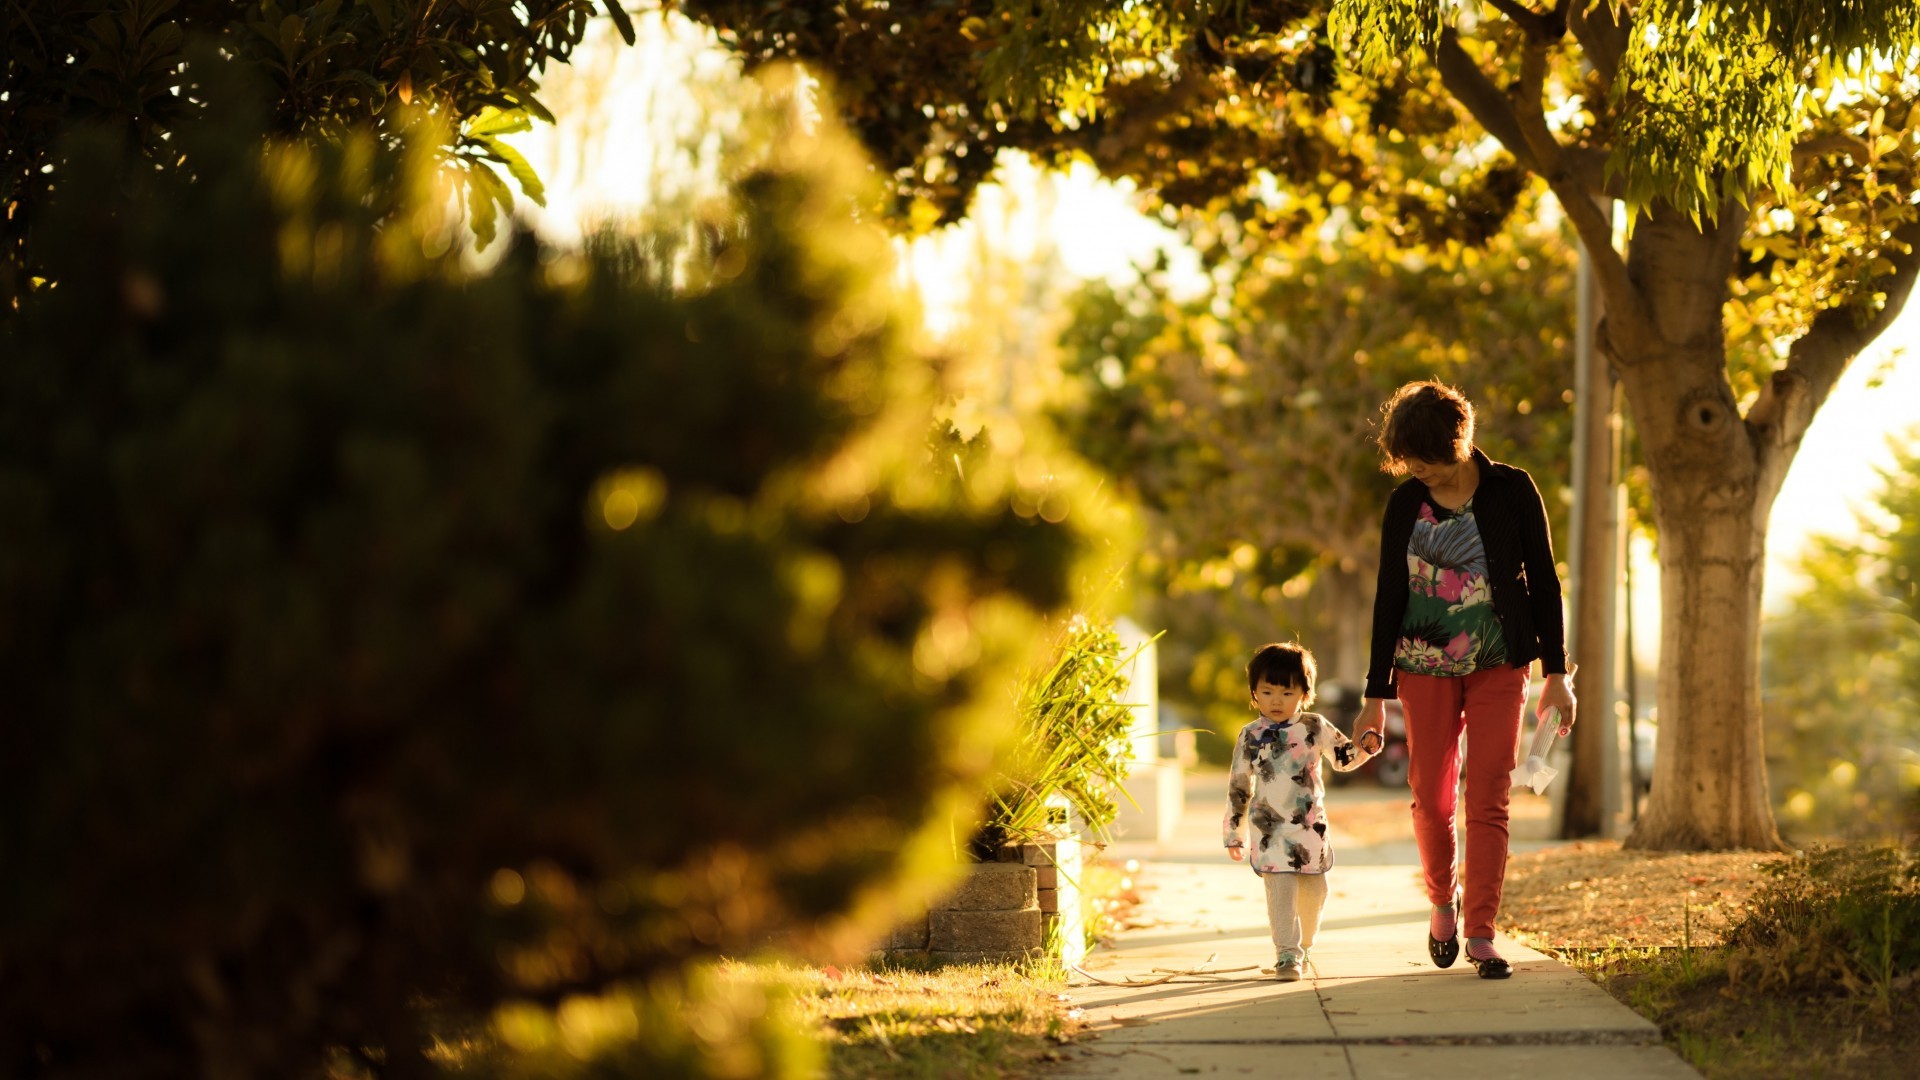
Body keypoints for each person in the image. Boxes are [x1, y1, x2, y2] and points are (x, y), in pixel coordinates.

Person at [1352, 380, 1576, 980]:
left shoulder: (1512, 489)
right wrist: (1375, 695)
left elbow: (1546, 584)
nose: (1418, 472)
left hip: (1501, 661)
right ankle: (1440, 901)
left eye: (1427, 462)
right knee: (1431, 796)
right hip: (1421, 666)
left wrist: (1557, 673)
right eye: (1410, 464)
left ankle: (1481, 930)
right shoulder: (1405, 504)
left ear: (1460, 443)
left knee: (1490, 794)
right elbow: (1388, 597)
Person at [1223, 642, 1376, 982]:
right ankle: (1286, 952)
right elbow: (1239, 784)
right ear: (1254, 694)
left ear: (1305, 694)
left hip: (1310, 829)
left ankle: (1305, 943)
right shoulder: (1250, 735)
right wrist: (1234, 831)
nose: (1276, 701)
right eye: (1267, 691)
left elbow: (1342, 758)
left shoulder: (1314, 726)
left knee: (1315, 891)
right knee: (1280, 891)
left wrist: (1365, 749)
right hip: (1269, 829)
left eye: (1287, 692)